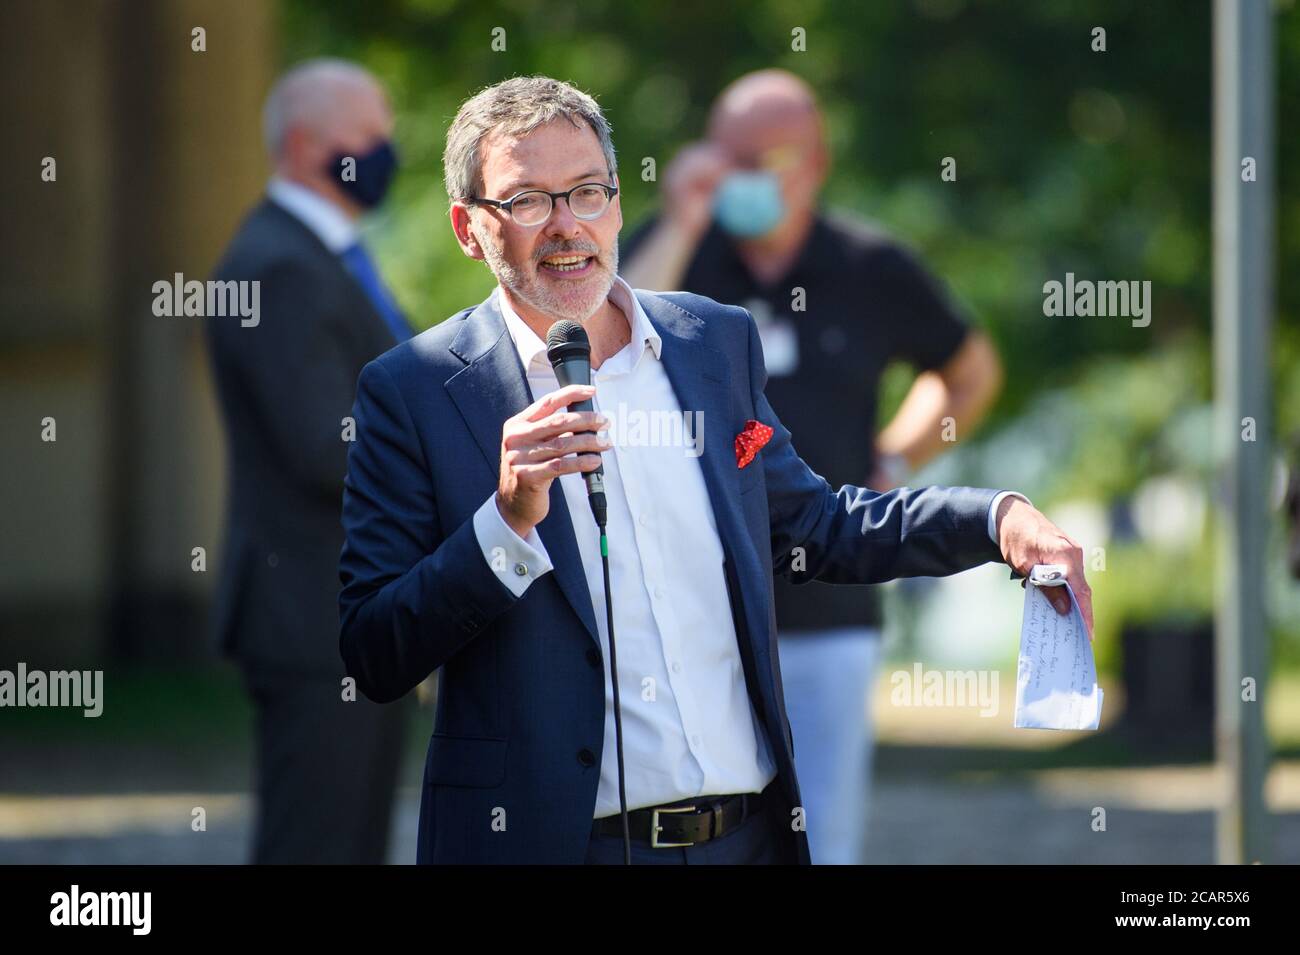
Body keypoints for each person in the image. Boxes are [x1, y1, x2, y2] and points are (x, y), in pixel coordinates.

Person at [338, 76, 1094, 865]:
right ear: (468, 227)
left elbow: (820, 524)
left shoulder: (711, 343)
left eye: (588, 192)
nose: (567, 227)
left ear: (620, 203)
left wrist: (995, 518)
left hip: (745, 841)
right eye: (528, 201)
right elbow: (374, 651)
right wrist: (505, 521)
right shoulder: (413, 390)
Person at [619, 69, 1003, 863]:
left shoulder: (870, 266)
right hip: (687, 605)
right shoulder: (678, 252)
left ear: (816, 162)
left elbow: (971, 372)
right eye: (732, 156)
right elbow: (605, 334)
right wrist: (686, 218)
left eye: (769, 157)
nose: (748, 176)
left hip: (830, 599)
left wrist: (896, 453)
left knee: (820, 835)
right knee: (690, 828)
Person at [207, 59, 413, 864]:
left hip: (352, 612)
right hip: (310, 613)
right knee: (316, 843)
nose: (384, 151)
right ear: (302, 145)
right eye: (367, 138)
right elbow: (327, 444)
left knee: (355, 840)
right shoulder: (279, 265)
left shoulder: (326, 256)